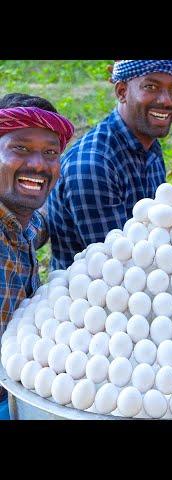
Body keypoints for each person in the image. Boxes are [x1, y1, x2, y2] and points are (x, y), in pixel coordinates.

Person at [46, 60, 172, 270]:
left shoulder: (148, 144)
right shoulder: (94, 165)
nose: (166, 101)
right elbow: (118, 268)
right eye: (151, 87)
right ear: (122, 92)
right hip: (91, 294)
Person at [0, 93, 75, 420]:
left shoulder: (19, 222)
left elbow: (38, 224)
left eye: (50, 153)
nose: (38, 164)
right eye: (20, 148)